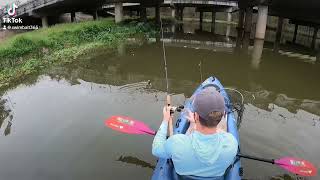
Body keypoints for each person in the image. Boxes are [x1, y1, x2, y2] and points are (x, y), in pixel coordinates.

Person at [152, 88, 238, 178]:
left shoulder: (176, 143)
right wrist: (194, 124)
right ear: (224, 114)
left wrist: (165, 120)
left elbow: (156, 150)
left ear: (196, 116)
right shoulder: (231, 143)